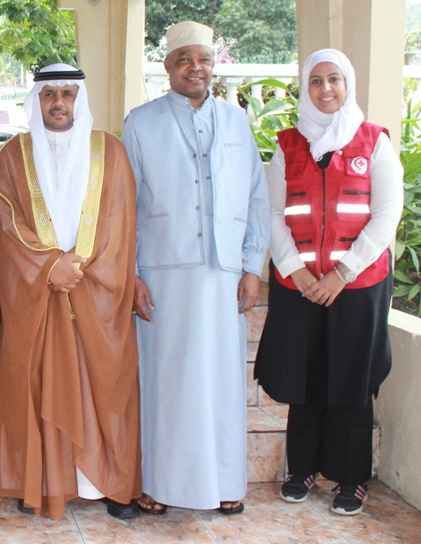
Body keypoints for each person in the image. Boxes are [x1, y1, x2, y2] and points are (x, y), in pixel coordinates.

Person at [122, 21, 271, 515]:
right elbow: (123, 206)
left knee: (221, 380)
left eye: (203, 59)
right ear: (167, 66)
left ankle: (226, 483)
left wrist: (252, 265)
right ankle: (158, 484)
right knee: (165, 380)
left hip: (224, 275)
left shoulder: (237, 122)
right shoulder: (140, 122)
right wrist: (130, 273)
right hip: (162, 274)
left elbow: (256, 197)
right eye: (184, 58)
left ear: (213, 66)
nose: (195, 67)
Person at [0, 64, 142, 521]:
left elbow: (120, 220)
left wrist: (80, 268)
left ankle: (109, 482)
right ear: (36, 98)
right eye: (49, 93)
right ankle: (41, 480)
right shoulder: (12, 154)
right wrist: (50, 265)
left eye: (67, 94)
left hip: (98, 292)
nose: (58, 102)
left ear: (79, 98)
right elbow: (7, 223)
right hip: (37, 293)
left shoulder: (110, 150)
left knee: (106, 385)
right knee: (35, 383)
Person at [254, 49, 402, 516]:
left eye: (334, 79)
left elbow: (385, 217)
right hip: (299, 285)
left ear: (347, 84)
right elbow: (274, 214)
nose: (325, 89)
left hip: (357, 286)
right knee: (306, 374)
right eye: (315, 81)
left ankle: (350, 476)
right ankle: (301, 469)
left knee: (352, 379)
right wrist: (298, 272)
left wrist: (341, 274)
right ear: (305, 88)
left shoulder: (373, 141)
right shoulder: (287, 145)